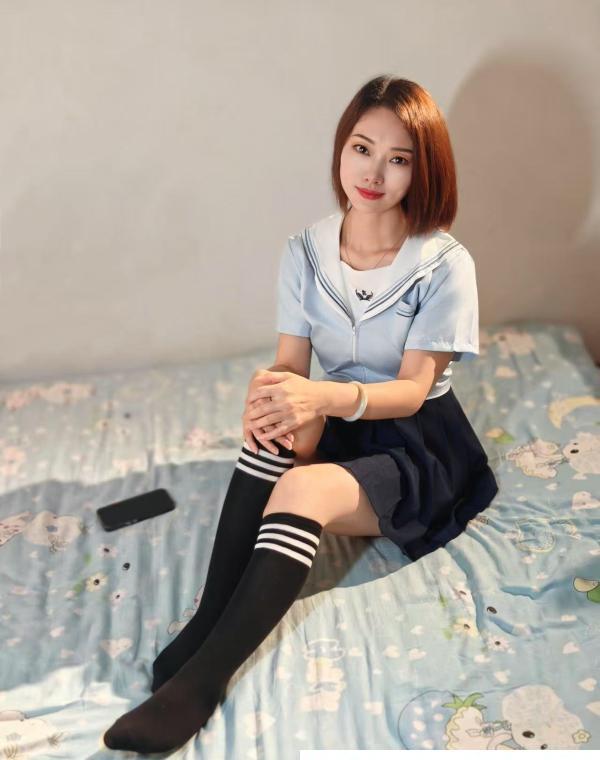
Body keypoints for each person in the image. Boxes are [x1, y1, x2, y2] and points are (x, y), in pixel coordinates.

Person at [103, 74, 499, 753]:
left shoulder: (442, 264)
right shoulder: (306, 251)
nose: (372, 172)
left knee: (301, 488)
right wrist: (271, 396)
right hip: (338, 422)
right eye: (361, 148)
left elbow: (412, 390)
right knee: (271, 431)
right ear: (341, 148)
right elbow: (292, 361)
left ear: (424, 169)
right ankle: (206, 624)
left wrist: (319, 397)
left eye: (398, 159)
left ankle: (203, 681)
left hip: (416, 448)